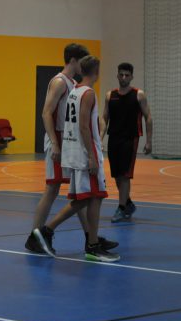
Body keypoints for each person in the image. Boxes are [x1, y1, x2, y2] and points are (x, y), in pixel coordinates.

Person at [25, 44, 117, 255]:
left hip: (69, 141)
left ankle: (90, 236)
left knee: (80, 192)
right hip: (59, 139)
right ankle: (35, 236)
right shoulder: (59, 82)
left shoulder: (75, 85)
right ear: (74, 61)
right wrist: (55, 143)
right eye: (81, 61)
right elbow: (46, 113)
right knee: (53, 188)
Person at [101, 63, 153, 222]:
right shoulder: (110, 95)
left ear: (131, 77)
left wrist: (149, 141)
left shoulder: (139, 95)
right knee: (117, 175)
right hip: (113, 138)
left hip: (130, 139)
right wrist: (100, 138)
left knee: (124, 175)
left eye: (127, 75)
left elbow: (148, 117)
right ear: (117, 75)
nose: (123, 77)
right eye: (121, 74)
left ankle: (122, 208)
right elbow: (104, 118)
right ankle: (128, 203)